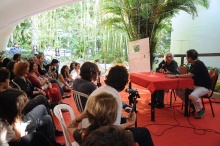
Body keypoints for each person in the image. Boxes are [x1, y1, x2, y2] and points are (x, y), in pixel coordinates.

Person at [73, 64, 154, 146]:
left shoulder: (99, 91)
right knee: (144, 132)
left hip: (88, 129)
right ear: (124, 82)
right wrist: (130, 123)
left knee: (123, 120)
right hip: (101, 138)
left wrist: (123, 116)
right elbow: (113, 131)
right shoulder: (115, 100)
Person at [166, 49, 211, 119]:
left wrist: (176, 76)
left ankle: (200, 110)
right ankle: (191, 104)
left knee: (193, 95)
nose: (186, 58)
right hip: (195, 85)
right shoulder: (193, 64)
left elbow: (190, 75)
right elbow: (189, 75)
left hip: (204, 87)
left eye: (187, 57)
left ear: (190, 58)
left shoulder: (199, 64)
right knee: (178, 90)